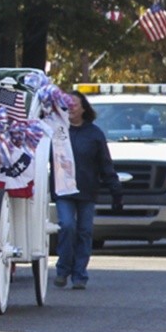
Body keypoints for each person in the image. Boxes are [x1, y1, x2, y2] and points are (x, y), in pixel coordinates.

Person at [55, 91, 118, 290]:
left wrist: (115, 190)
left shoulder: (94, 134)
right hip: (63, 189)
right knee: (66, 226)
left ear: (83, 108)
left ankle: (80, 274)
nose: (70, 107)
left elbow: (105, 164)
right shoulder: (57, 131)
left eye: (74, 104)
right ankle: (63, 269)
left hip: (87, 190)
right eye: (67, 104)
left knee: (85, 231)